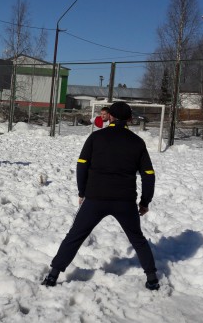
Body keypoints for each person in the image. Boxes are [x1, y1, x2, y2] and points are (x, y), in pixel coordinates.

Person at [42, 101, 159, 291]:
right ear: (130, 119)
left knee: (75, 236)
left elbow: (81, 165)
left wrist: (82, 191)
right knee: (137, 239)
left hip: (95, 198)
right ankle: (152, 277)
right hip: (125, 201)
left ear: (110, 116)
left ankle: (53, 275)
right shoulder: (137, 142)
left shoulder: (96, 137)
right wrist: (145, 201)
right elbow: (148, 175)